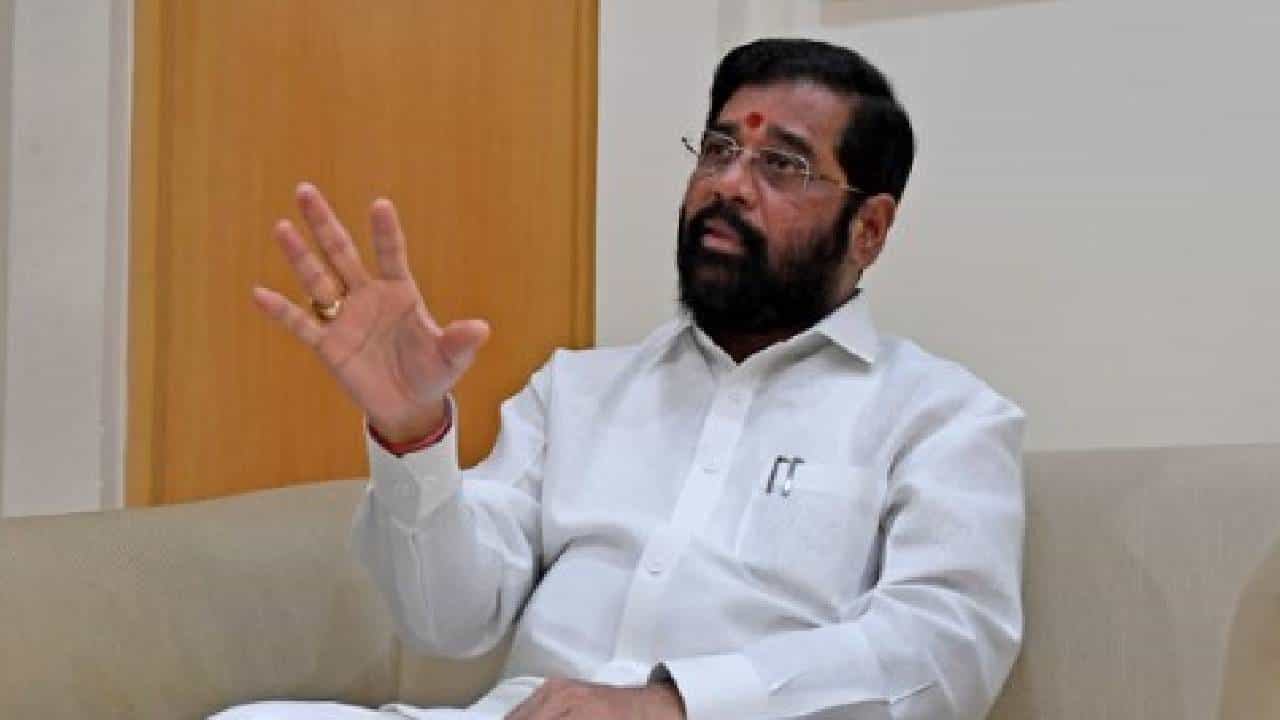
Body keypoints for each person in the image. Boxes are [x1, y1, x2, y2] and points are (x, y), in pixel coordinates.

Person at [220, 38, 1025, 720]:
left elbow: (944, 648)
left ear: (870, 228)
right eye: (719, 150)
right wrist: (412, 434)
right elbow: (448, 622)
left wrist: (676, 704)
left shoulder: (941, 417)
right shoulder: (577, 390)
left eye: (782, 164)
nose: (728, 184)